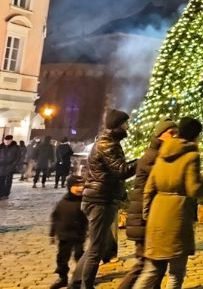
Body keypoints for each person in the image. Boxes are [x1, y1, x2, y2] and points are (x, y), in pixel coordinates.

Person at [134, 117, 203, 289]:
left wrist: (147, 216)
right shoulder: (191, 156)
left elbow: (149, 189)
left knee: (151, 270)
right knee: (176, 273)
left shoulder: (162, 153)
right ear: (195, 135)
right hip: (176, 217)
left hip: (156, 216)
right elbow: (194, 190)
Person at [69, 109, 137, 289]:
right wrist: (143, 160)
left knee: (95, 245)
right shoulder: (108, 144)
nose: (127, 127)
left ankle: (76, 282)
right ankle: (85, 285)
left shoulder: (107, 141)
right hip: (100, 200)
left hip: (98, 198)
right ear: (117, 125)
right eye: (125, 124)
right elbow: (122, 171)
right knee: (96, 249)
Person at [119, 120, 176, 289]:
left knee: (157, 264)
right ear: (160, 134)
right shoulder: (154, 156)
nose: (175, 136)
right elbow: (167, 182)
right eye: (171, 133)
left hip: (152, 219)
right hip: (145, 220)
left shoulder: (161, 153)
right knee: (145, 265)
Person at [49, 175, 87, 289]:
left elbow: (88, 218)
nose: (80, 188)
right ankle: (62, 278)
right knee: (62, 258)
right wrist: (52, 233)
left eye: (82, 185)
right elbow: (55, 218)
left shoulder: (84, 202)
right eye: (77, 186)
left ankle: (81, 278)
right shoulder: (62, 202)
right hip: (64, 236)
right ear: (70, 187)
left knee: (80, 256)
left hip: (78, 234)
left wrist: (87, 230)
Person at [0, 135, 20, 200]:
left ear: (11, 140)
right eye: (5, 140)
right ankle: (0, 194)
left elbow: (18, 158)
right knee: (1, 181)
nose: (7, 142)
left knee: (8, 181)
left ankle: (6, 194)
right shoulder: (1, 146)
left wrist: (13, 166)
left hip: (10, 167)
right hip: (1, 166)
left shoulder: (16, 147)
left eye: (8, 141)